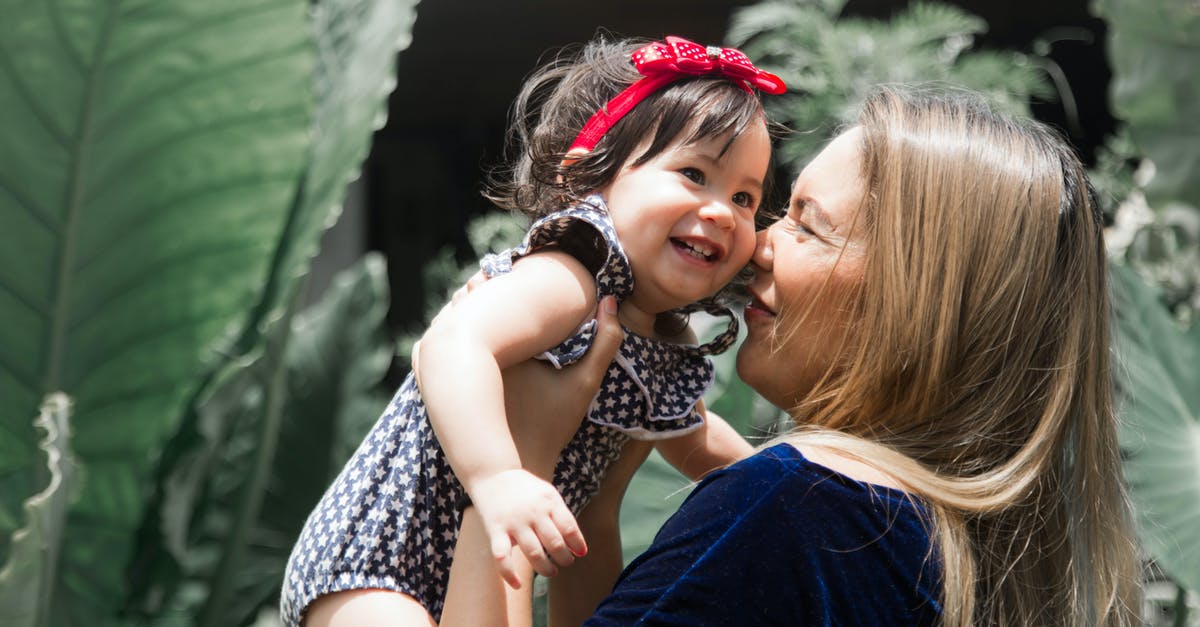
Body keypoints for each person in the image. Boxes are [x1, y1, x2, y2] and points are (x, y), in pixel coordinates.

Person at [443, 85, 1143, 625]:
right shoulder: (947, 544)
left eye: (806, 224)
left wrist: (519, 461)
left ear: (912, 300)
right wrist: (594, 511)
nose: (757, 245)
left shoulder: (787, 513)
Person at [279, 35, 787, 626]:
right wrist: (496, 478)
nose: (725, 211)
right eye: (694, 173)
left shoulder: (663, 340)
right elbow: (449, 344)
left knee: (589, 534)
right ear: (589, 179)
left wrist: (783, 489)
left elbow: (695, 438)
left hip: (482, 566)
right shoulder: (573, 271)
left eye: (746, 196)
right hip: (381, 560)